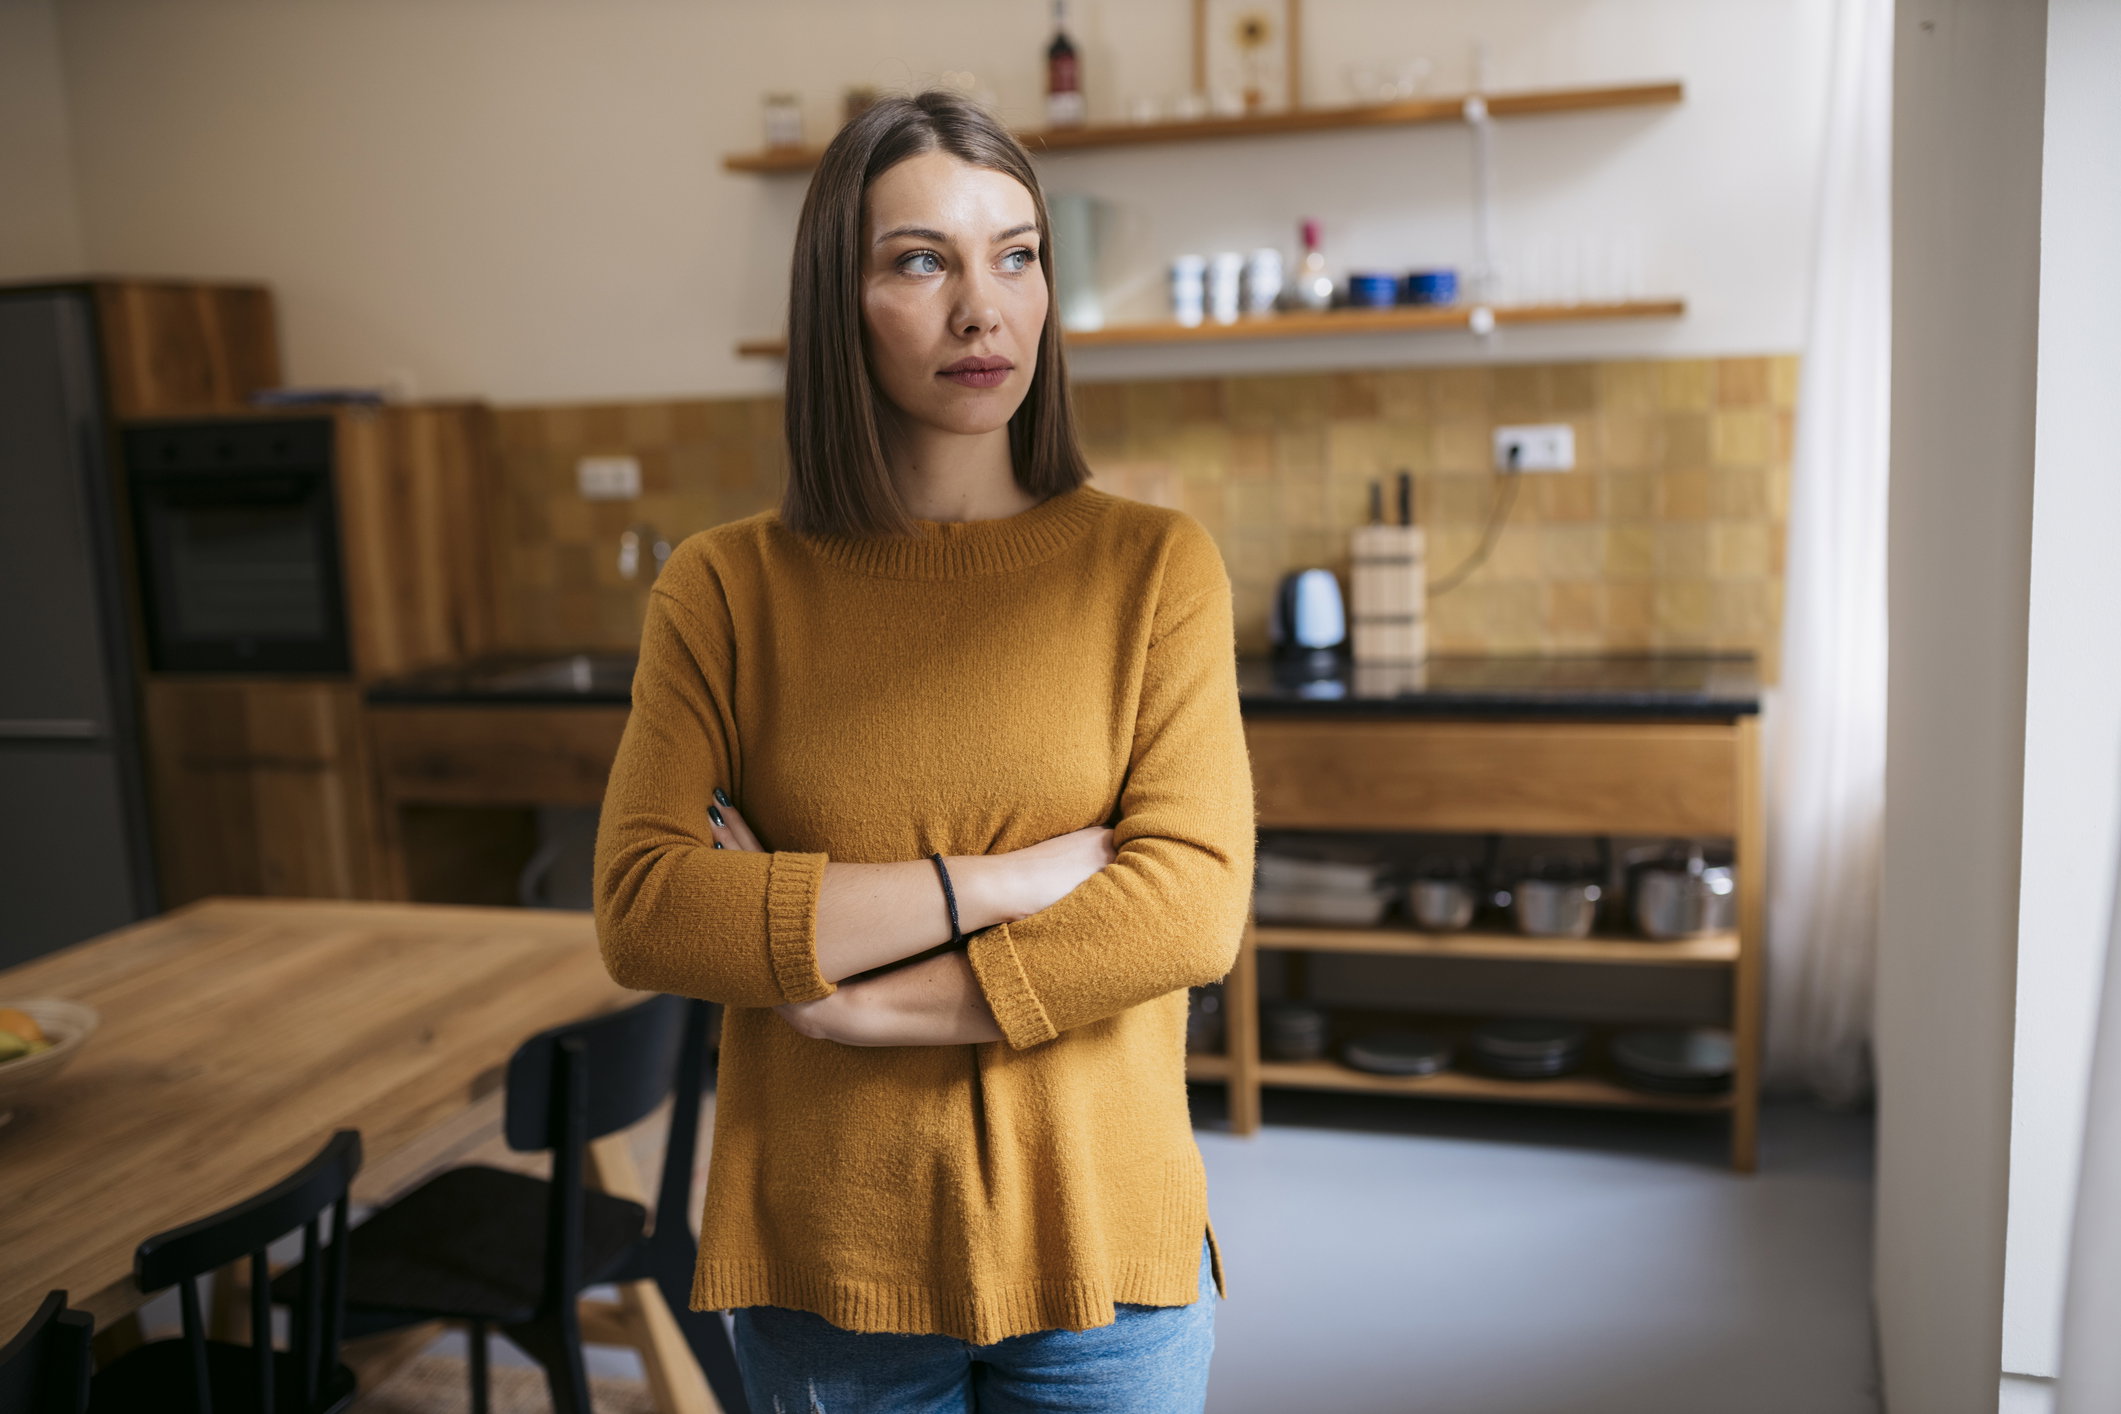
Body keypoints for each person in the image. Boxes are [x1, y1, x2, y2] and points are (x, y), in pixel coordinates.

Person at [592, 89, 1255, 1413]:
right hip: (830, 1267)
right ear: (837, 300)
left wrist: (852, 994)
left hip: (1106, 1257)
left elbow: (1186, 908)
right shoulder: (725, 590)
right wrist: (1001, 882)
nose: (980, 307)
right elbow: (648, 909)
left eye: (1016, 255)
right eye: (919, 260)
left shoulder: (1151, 566)